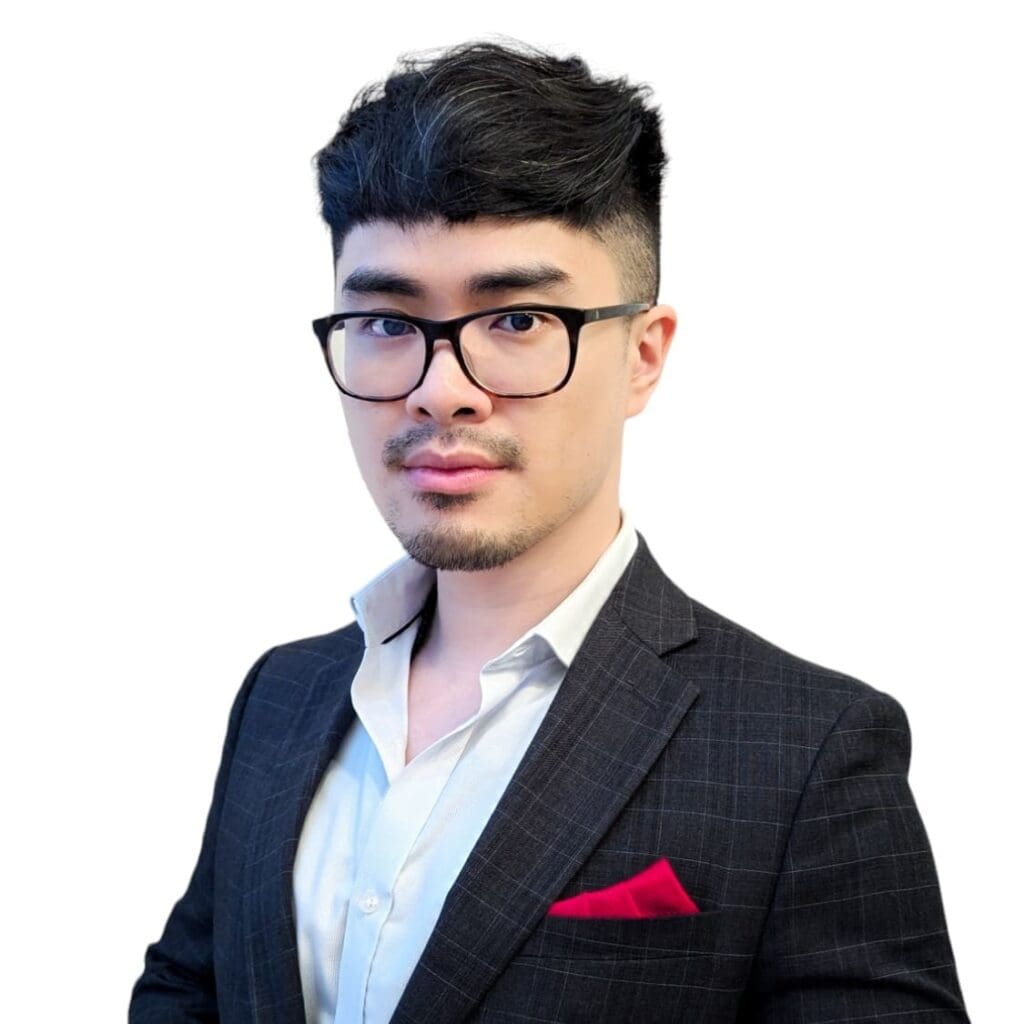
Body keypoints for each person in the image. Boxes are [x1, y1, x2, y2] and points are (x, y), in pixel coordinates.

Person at [129, 39, 969, 1024]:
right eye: (388, 323)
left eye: (519, 320)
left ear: (643, 356)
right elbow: (188, 990)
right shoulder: (281, 694)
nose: (442, 391)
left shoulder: (807, 751)